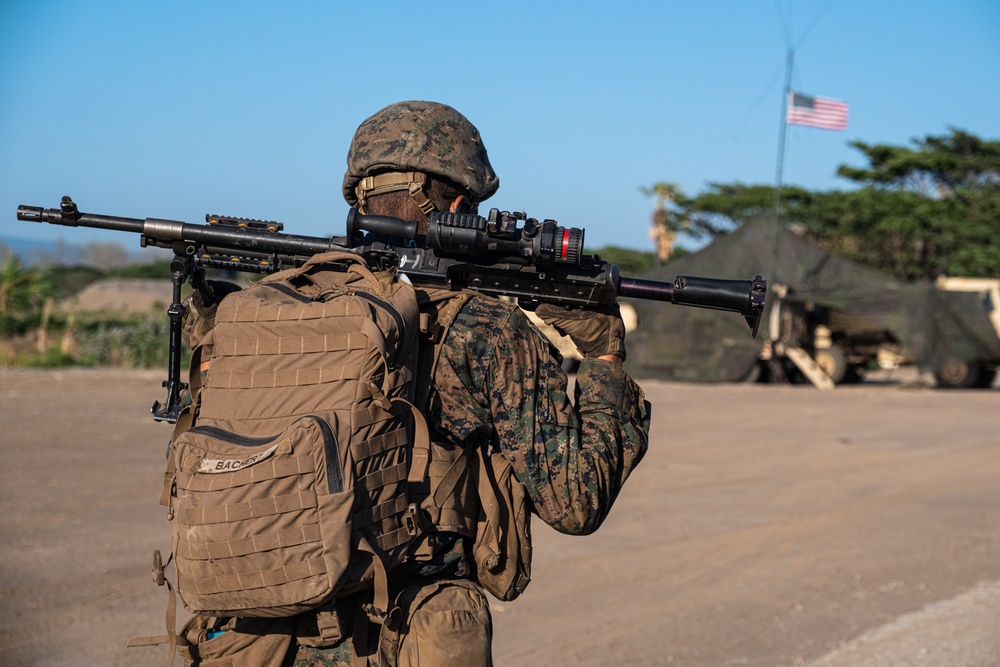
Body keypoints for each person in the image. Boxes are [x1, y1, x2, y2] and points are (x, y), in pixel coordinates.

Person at [185, 100, 651, 666]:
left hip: (250, 640)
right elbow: (576, 501)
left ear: (360, 197)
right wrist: (604, 358)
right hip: (395, 635)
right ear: (457, 204)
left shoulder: (270, 310)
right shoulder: (482, 328)